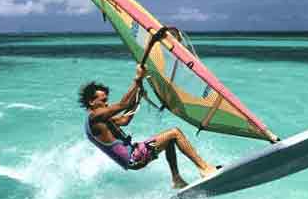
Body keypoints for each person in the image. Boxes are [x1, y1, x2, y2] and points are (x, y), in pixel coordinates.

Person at [78, 64, 217, 189]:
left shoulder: (100, 120)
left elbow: (125, 119)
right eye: (103, 101)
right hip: (134, 157)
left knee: (169, 140)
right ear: (91, 102)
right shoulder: (95, 117)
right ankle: (204, 168)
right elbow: (123, 105)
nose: (107, 104)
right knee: (175, 133)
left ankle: (177, 179)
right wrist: (137, 79)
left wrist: (138, 97)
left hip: (134, 157)